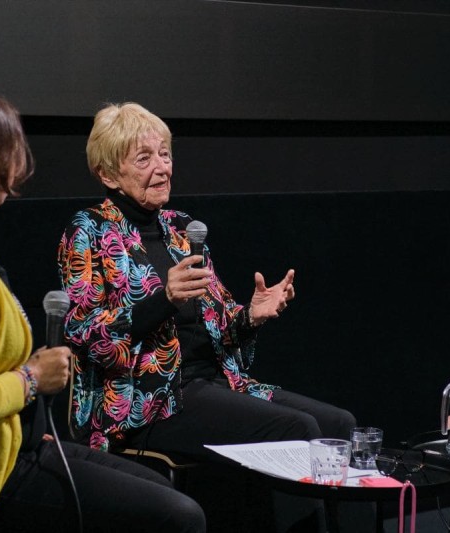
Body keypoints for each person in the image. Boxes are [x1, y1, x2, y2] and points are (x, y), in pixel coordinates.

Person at [0, 83, 206, 533]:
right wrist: (33, 378)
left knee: (160, 490)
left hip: (7, 446)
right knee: (179, 515)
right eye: (15, 146)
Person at [57, 102, 357, 528]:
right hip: (148, 400)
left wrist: (251, 316)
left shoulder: (182, 228)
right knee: (298, 428)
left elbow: (216, 328)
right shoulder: (88, 231)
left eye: (165, 154)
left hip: (215, 383)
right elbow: (84, 335)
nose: (161, 168)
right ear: (108, 175)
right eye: (144, 159)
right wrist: (163, 299)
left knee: (338, 426)